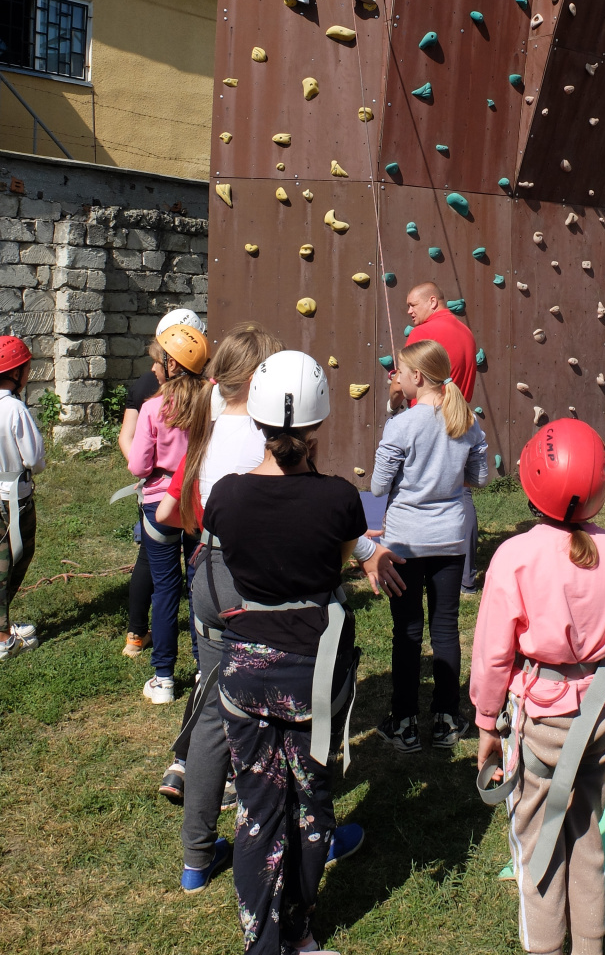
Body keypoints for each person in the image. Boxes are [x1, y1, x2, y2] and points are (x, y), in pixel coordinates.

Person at [209, 350, 371, 954]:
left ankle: (262, 943)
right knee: (309, 803)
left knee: (257, 809)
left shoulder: (225, 496)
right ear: (318, 422)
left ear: (256, 418)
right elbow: (337, 565)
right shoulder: (339, 499)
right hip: (313, 674)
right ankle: (298, 933)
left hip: (245, 671)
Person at [470, 418, 605, 955]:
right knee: (585, 834)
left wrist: (486, 723)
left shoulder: (515, 556)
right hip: (597, 717)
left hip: (539, 721)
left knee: (537, 840)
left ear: (530, 483)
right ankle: (590, 946)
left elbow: (493, 653)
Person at [153, 322, 282, 820]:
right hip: (253, 572)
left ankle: (187, 769)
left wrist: (202, 529)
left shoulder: (206, 428)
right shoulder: (265, 439)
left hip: (206, 566)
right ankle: (241, 781)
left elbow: (169, 511)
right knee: (258, 685)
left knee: (211, 685)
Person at [373, 338, 488, 754]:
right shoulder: (466, 420)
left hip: (405, 540)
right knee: (445, 628)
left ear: (417, 377)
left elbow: (378, 485)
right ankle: (446, 719)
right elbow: (480, 477)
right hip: (450, 538)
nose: (396, 378)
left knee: (406, 630)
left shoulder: (402, 424)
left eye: (400, 373)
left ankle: (404, 722)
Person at [128, 323, 210, 704]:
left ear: (172, 365)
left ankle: (163, 678)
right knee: (197, 584)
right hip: (195, 501)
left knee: (164, 588)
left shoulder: (152, 408)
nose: (154, 369)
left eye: (158, 362)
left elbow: (138, 465)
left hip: (159, 504)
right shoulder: (209, 403)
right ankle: (202, 668)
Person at [388, 282, 481, 593]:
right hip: (459, 421)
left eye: (413, 305)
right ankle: (465, 577)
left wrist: (392, 400)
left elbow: (401, 384)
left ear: (432, 301)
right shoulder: (466, 333)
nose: (409, 311)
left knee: (412, 492)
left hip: (425, 424)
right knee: (461, 494)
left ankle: (409, 565)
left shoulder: (422, 334)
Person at [0, 337, 46, 662]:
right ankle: (3, 638)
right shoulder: (14, 408)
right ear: (17, 373)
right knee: (13, 559)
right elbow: (34, 458)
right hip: (13, 498)